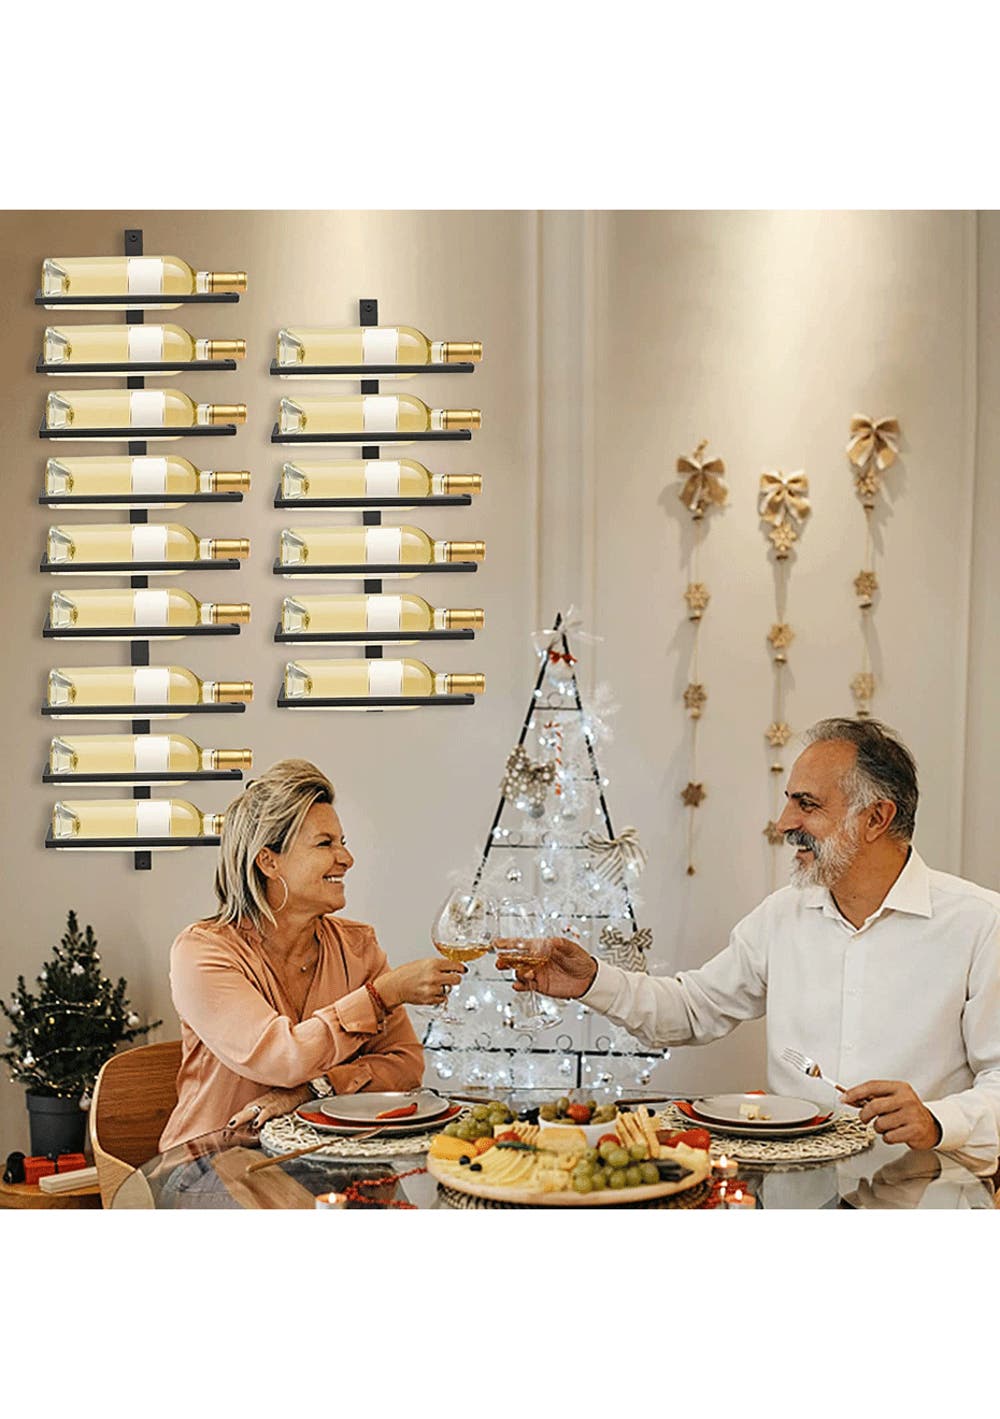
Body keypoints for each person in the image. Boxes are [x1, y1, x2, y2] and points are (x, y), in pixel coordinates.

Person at [498, 718, 1000, 1166]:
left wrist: (937, 1120)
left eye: (807, 804)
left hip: (928, 1195)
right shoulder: (782, 915)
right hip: (796, 1193)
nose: (784, 824)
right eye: (789, 801)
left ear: (876, 818)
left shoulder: (980, 923)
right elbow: (691, 1009)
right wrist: (591, 980)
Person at [159, 759, 464, 1149]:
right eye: (325, 844)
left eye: (343, 842)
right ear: (269, 861)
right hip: (214, 1160)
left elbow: (405, 1065)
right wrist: (380, 997)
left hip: (325, 1159)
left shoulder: (358, 947)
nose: (346, 858)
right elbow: (281, 1059)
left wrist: (312, 1091)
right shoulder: (203, 952)